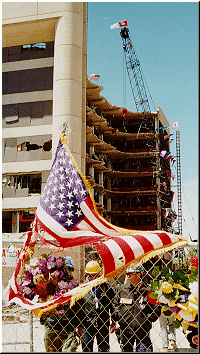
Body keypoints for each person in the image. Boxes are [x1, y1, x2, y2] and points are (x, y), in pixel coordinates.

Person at [112, 264, 161, 352]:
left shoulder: (148, 290)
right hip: (125, 330)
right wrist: (120, 317)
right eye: (126, 274)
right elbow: (115, 304)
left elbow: (156, 308)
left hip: (143, 331)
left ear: (139, 274)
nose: (127, 277)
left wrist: (147, 319)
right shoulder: (122, 289)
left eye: (130, 274)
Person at [40, 256, 85, 352]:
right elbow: (42, 303)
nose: (70, 272)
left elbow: (80, 307)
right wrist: (43, 319)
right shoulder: (52, 285)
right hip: (53, 327)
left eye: (72, 270)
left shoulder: (75, 287)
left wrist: (80, 327)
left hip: (68, 329)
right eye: (68, 269)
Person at [81, 260, 116, 352]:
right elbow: (79, 309)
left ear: (99, 274)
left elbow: (112, 305)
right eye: (90, 275)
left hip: (103, 324)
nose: (93, 278)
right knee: (87, 349)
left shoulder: (106, 287)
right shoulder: (82, 289)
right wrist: (79, 326)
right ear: (87, 275)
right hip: (87, 325)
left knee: (104, 349)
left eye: (95, 275)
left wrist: (113, 321)